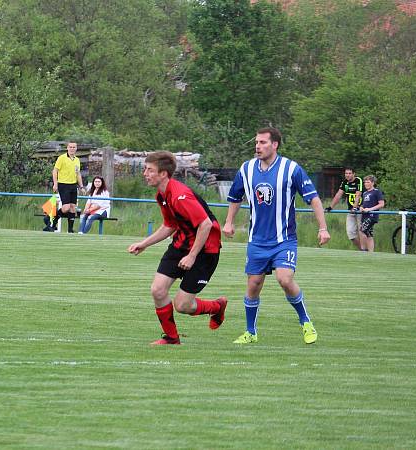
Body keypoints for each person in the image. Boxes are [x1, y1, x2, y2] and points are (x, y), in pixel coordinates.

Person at [223, 127, 330, 345]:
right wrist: (229, 222)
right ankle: (250, 332)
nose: (257, 146)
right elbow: (235, 197)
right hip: (257, 240)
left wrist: (323, 228)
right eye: (256, 142)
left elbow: (314, 199)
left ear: (275, 145)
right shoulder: (246, 169)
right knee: (253, 284)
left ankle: (306, 322)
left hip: (284, 240)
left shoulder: (291, 169)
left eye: (262, 142)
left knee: (284, 279)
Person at [128, 152, 227, 345]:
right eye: (145, 170)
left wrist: (192, 256)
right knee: (158, 290)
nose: (145, 174)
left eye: (150, 170)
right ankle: (172, 338)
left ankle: (216, 307)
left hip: (205, 251)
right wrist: (144, 244)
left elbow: (205, 224)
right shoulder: (162, 195)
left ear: (163, 174)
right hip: (180, 245)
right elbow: (169, 225)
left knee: (183, 305)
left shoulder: (181, 195)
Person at [325, 167, 363, 249]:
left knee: (362, 232)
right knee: (351, 234)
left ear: (353, 174)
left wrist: (355, 207)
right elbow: (338, 195)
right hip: (350, 211)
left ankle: (366, 251)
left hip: (360, 210)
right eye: (346, 173)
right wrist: (330, 207)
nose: (347, 175)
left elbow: (358, 195)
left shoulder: (358, 180)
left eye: (349, 173)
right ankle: (362, 250)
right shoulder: (345, 182)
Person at [50, 142, 84, 233]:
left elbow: (78, 173)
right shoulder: (62, 158)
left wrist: (81, 186)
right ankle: (54, 221)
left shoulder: (77, 160)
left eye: (74, 147)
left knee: (73, 207)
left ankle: (70, 230)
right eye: (70, 147)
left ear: (76, 148)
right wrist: (55, 183)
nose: (72, 148)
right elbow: (55, 171)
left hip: (73, 185)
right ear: (67, 148)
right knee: (66, 208)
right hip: (63, 184)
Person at [358, 175, 385, 252]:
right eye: (365, 182)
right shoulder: (365, 193)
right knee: (369, 234)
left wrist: (370, 209)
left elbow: (381, 204)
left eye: (368, 182)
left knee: (362, 230)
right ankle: (371, 253)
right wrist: (361, 207)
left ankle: (363, 250)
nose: (366, 184)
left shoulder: (377, 192)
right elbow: (363, 204)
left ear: (373, 183)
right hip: (364, 216)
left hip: (372, 216)